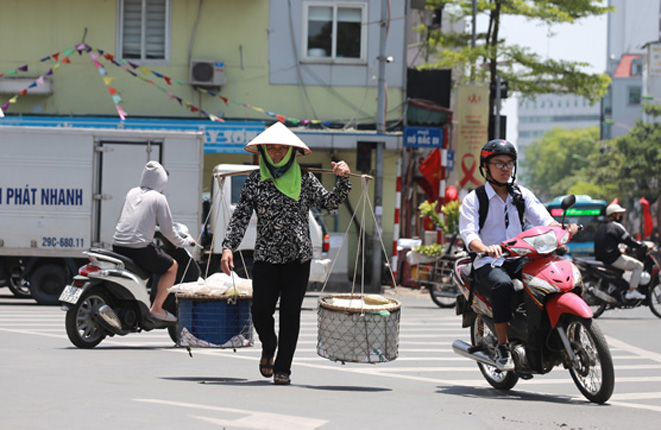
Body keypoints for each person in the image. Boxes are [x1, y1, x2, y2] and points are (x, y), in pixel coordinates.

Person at [220, 122, 351, 385]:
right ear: (264, 152)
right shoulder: (256, 181)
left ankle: (284, 368)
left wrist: (343, 178)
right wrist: (227, 246)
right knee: (260, 311)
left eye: (282, 149)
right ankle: (269, 345)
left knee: (290, 314)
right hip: (266, 257)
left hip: (298, 258)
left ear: (291, 152)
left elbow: (330, 203)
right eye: (272, 149)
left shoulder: (304, 179)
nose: (277, 153)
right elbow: (241, 216)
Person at [459, 139, 578, 371]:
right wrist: (484, 247)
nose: (505, 168)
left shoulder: (521, 194)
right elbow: (469, 234)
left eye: (509, 163)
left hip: (520, 256)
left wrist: (563, 229)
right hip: (489, 261)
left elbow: (545, 220)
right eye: (499, 163)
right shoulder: (474, 199)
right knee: (503, 286)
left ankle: (550, 331)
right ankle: (503, 345)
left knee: (551, 276)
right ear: (486, 166)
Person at [113, 161, 195, 322]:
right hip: (139, 250)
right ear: (162, 180)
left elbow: (124, 220)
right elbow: (168, 231)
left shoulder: (131, 193)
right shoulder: (159, 198)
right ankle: (156, 308)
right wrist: (184, 242)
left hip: (117, 246)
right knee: (172, 267)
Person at [594, 203, 649, 301]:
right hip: (612, 258)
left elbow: (608, 243)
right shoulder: (616, 226)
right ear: (614, 215)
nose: (621, 216)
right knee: (639, 265)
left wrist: (621, 249)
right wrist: (643, 246)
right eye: (619, 214)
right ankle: (632, 291)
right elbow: (629, 241)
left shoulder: (601, 226)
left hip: (601, 258)